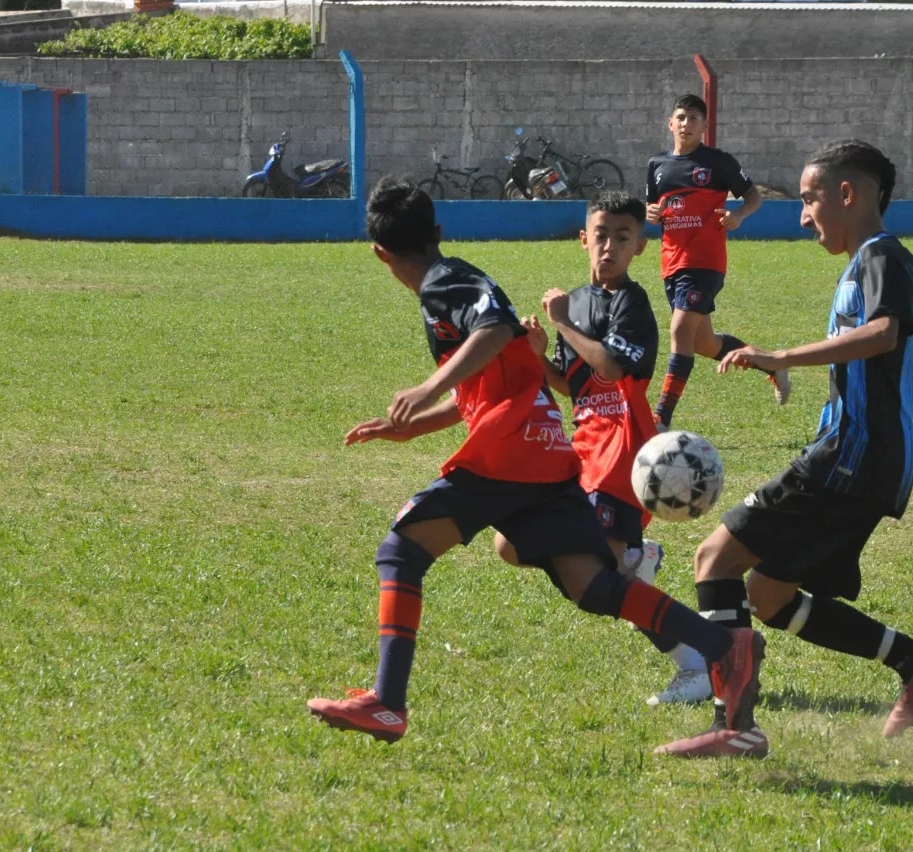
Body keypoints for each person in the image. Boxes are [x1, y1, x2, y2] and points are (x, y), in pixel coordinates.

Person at [306, 178, 763, 744]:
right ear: (438, 232)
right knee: (587, 583)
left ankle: (387, 703)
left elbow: (495, 333)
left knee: (401, 548)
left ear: (380, 254)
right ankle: (725, 647)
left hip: (511, 452)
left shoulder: (444, 283)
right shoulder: (457, 280)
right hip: (546, 452)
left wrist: (425, 390)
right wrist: (412, 426)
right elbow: (490, 375)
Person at [656, 140, 913, 759]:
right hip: (861, 456)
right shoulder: (864, 264)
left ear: (848, 194)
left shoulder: (883, 257)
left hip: (853, 455)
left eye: (809, 198)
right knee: (768, 595)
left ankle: (734, 724)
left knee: (715, 559)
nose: (802, 215)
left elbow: (882, 334)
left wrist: (782, 356)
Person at [498, 191, 712, 706]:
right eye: (601, 236)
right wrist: (536, 356)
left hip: (623, 451)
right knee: (511, 545)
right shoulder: (576, 300)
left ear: (640, 245)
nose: (609, 247)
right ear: (583, 239)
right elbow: (576, 386)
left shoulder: (632, 305)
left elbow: (612, 370)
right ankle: (638, 559)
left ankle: (696, 665)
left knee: (601, 582)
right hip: (581, 445)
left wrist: (563, 324)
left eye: (622, 238)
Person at [645, 94, 784, 430]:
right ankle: (772, 365)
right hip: (671, 264)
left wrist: (738, 215)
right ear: (670, 123)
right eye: (681, 117)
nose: (686, 124)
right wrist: (651, 214)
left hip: (705, 262)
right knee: (703, 344)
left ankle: (660, 419)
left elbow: (754, 196)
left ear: (704, 126)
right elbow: (654, 210)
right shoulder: (656, 166)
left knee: (679, 330)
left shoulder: (718, 162)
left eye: (694, 118)